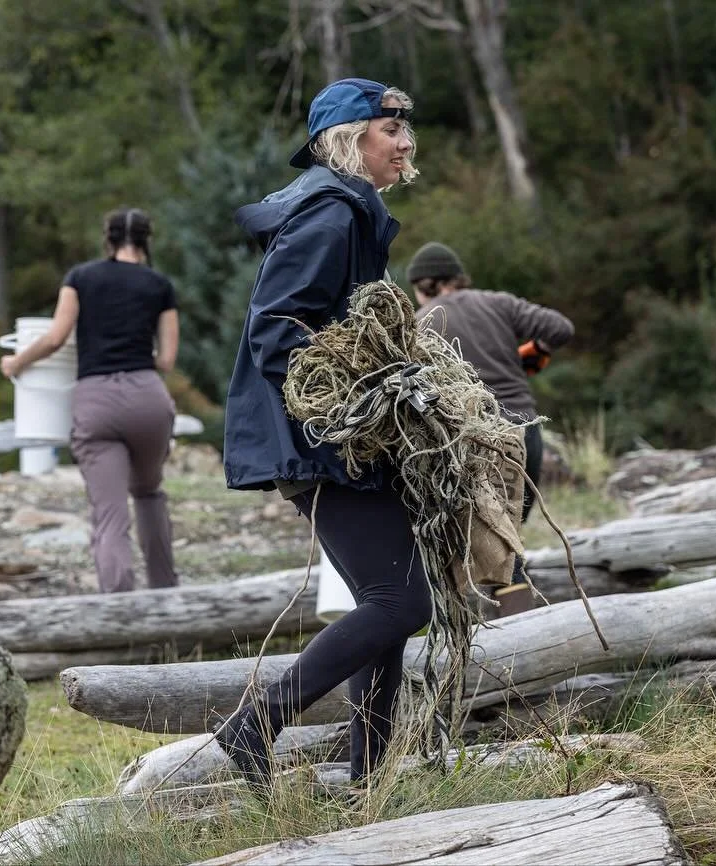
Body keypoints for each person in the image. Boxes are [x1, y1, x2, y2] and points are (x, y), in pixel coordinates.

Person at [215, 77, 424, 790]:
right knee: (401, 602)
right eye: (390, 130)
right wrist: (355, 403)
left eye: (406, 130)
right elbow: (277, 331)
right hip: (322, 441)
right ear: (348, 139)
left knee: (387, 601)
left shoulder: (350, 212)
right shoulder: (331, 215)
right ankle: (256, 723)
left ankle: (370, 778)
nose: (405, 143)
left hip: (343, 438)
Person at [0, 208, 180, 594]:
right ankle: (166, 592)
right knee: (148, 493)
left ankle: (119, 607)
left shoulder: (80, 277)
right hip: (148, 399)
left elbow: (55, 338)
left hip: (97, 402)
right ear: (146, 240)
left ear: (108, 239)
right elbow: (166, 360)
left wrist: (16, 363)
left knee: (110, 513)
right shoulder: (160, 285)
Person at [409, 241, 573, 521]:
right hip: (525, 431)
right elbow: (561, 328)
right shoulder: (500, 303)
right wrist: (538, 350)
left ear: (423, 285)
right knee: (514, 530)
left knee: (483, 534)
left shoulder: (420, 324)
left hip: (475, 440)